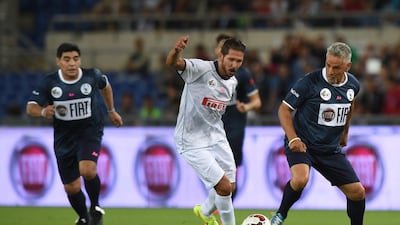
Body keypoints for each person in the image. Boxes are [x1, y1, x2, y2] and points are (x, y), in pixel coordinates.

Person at [26, 43, 123, 225]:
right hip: (64, 137)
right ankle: (83, 217)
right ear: (58, 62)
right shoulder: (49, 83)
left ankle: (95, 208)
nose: (72, 64)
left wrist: (111, 111)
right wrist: (42, 112)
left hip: (89, 131)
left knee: (87, 170)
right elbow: (30, 107)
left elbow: (106, 87)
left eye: (76, 59)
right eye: (67, 59)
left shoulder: (91, 76)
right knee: (71, 187)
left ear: (80, 60)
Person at [270, 42, 365, 225]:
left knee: (357, 192)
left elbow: (350, 104)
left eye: (336, 67)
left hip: (329, 149)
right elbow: (283, 110)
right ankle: (280, 216)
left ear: (347, 66)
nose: (330, 70)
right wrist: (293, 138)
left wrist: (345, 132)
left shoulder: (353, 85)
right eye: (327, 64)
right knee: (300, 179)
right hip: (303, 143)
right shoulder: (309, 82)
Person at [166, 35, 246, 225]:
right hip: (191, 140)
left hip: (216, 136)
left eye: (239, 61)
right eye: (231, 59)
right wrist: (177, 50)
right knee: (224, 187)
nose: (234, 64)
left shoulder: (232, 83)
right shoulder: (200, 69)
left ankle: (204, 211)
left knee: (231, 186)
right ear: (221, 57)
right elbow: (172, 63)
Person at [216, 33, 262, 201]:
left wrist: (246, 106)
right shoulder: (206, 72)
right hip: (212, 127)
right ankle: (213, 209)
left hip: (234, 126)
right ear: (218, 52)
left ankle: (224, 209)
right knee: (213, 169)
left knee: (230, 170)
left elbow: (257, 102)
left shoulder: (242, 74)